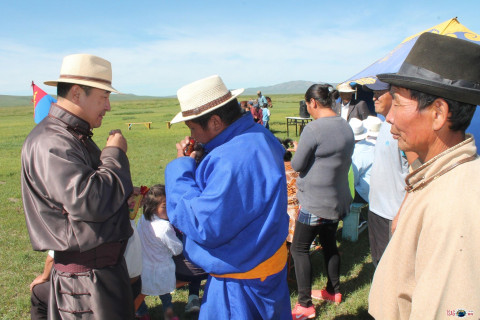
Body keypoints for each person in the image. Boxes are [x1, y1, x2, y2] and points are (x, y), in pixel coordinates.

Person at [369, 32, 480, 319]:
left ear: (438, 113)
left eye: (398, 102)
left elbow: (453, 310)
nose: (389, 116)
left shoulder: (453, 205)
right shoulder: (437, 178)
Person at [165, 75, 291, 319]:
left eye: (192, 128)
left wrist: (180, 168)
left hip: (240, 284)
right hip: (265, 266)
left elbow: (204, 223)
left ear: (214, 121)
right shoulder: (258, 135)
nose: (192, 136)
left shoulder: (232, 159)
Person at [21, 53, 135, 319]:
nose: (108, 106)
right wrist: (114, 154)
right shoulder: (53, 141)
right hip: (84, 285)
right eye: (103, 97)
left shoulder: (72, 135)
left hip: (98, 276)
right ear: (76, 94)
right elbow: (90, 202)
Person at [290, 84, 354, 319]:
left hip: (315, 201)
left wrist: (298, 151)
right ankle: (333, 291)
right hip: (337, 199)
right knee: (329, 243)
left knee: (299, 249)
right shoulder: (345, 125)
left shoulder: (313, 129)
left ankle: (305, 304)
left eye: (307, 104)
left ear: (313, 103)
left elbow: (297, 165)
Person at [364, 80, 413, 268]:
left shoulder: (403, 130)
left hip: (393, 212)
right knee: (378, 262)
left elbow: (416, 175)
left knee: (393, 269)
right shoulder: (385, 126)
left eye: (379, 93)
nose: (374, 97)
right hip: (376, 208)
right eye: (373, 93)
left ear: (394, 96)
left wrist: (401, 214)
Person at [136, 184, 183, 320]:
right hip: (162, 267)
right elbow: (177, 249)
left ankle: (142, 313)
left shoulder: (144, 219)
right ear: (153, 207)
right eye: (164, 206)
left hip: (144, 265)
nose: (168, 209)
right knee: (165, 294)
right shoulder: (165, 227)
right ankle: (169, 314)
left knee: (141, 292)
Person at [349, 118, 375, 203]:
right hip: (375, 189)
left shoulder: (355, 152)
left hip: (363, 192)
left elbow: (353, 180)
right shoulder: (371, 145)